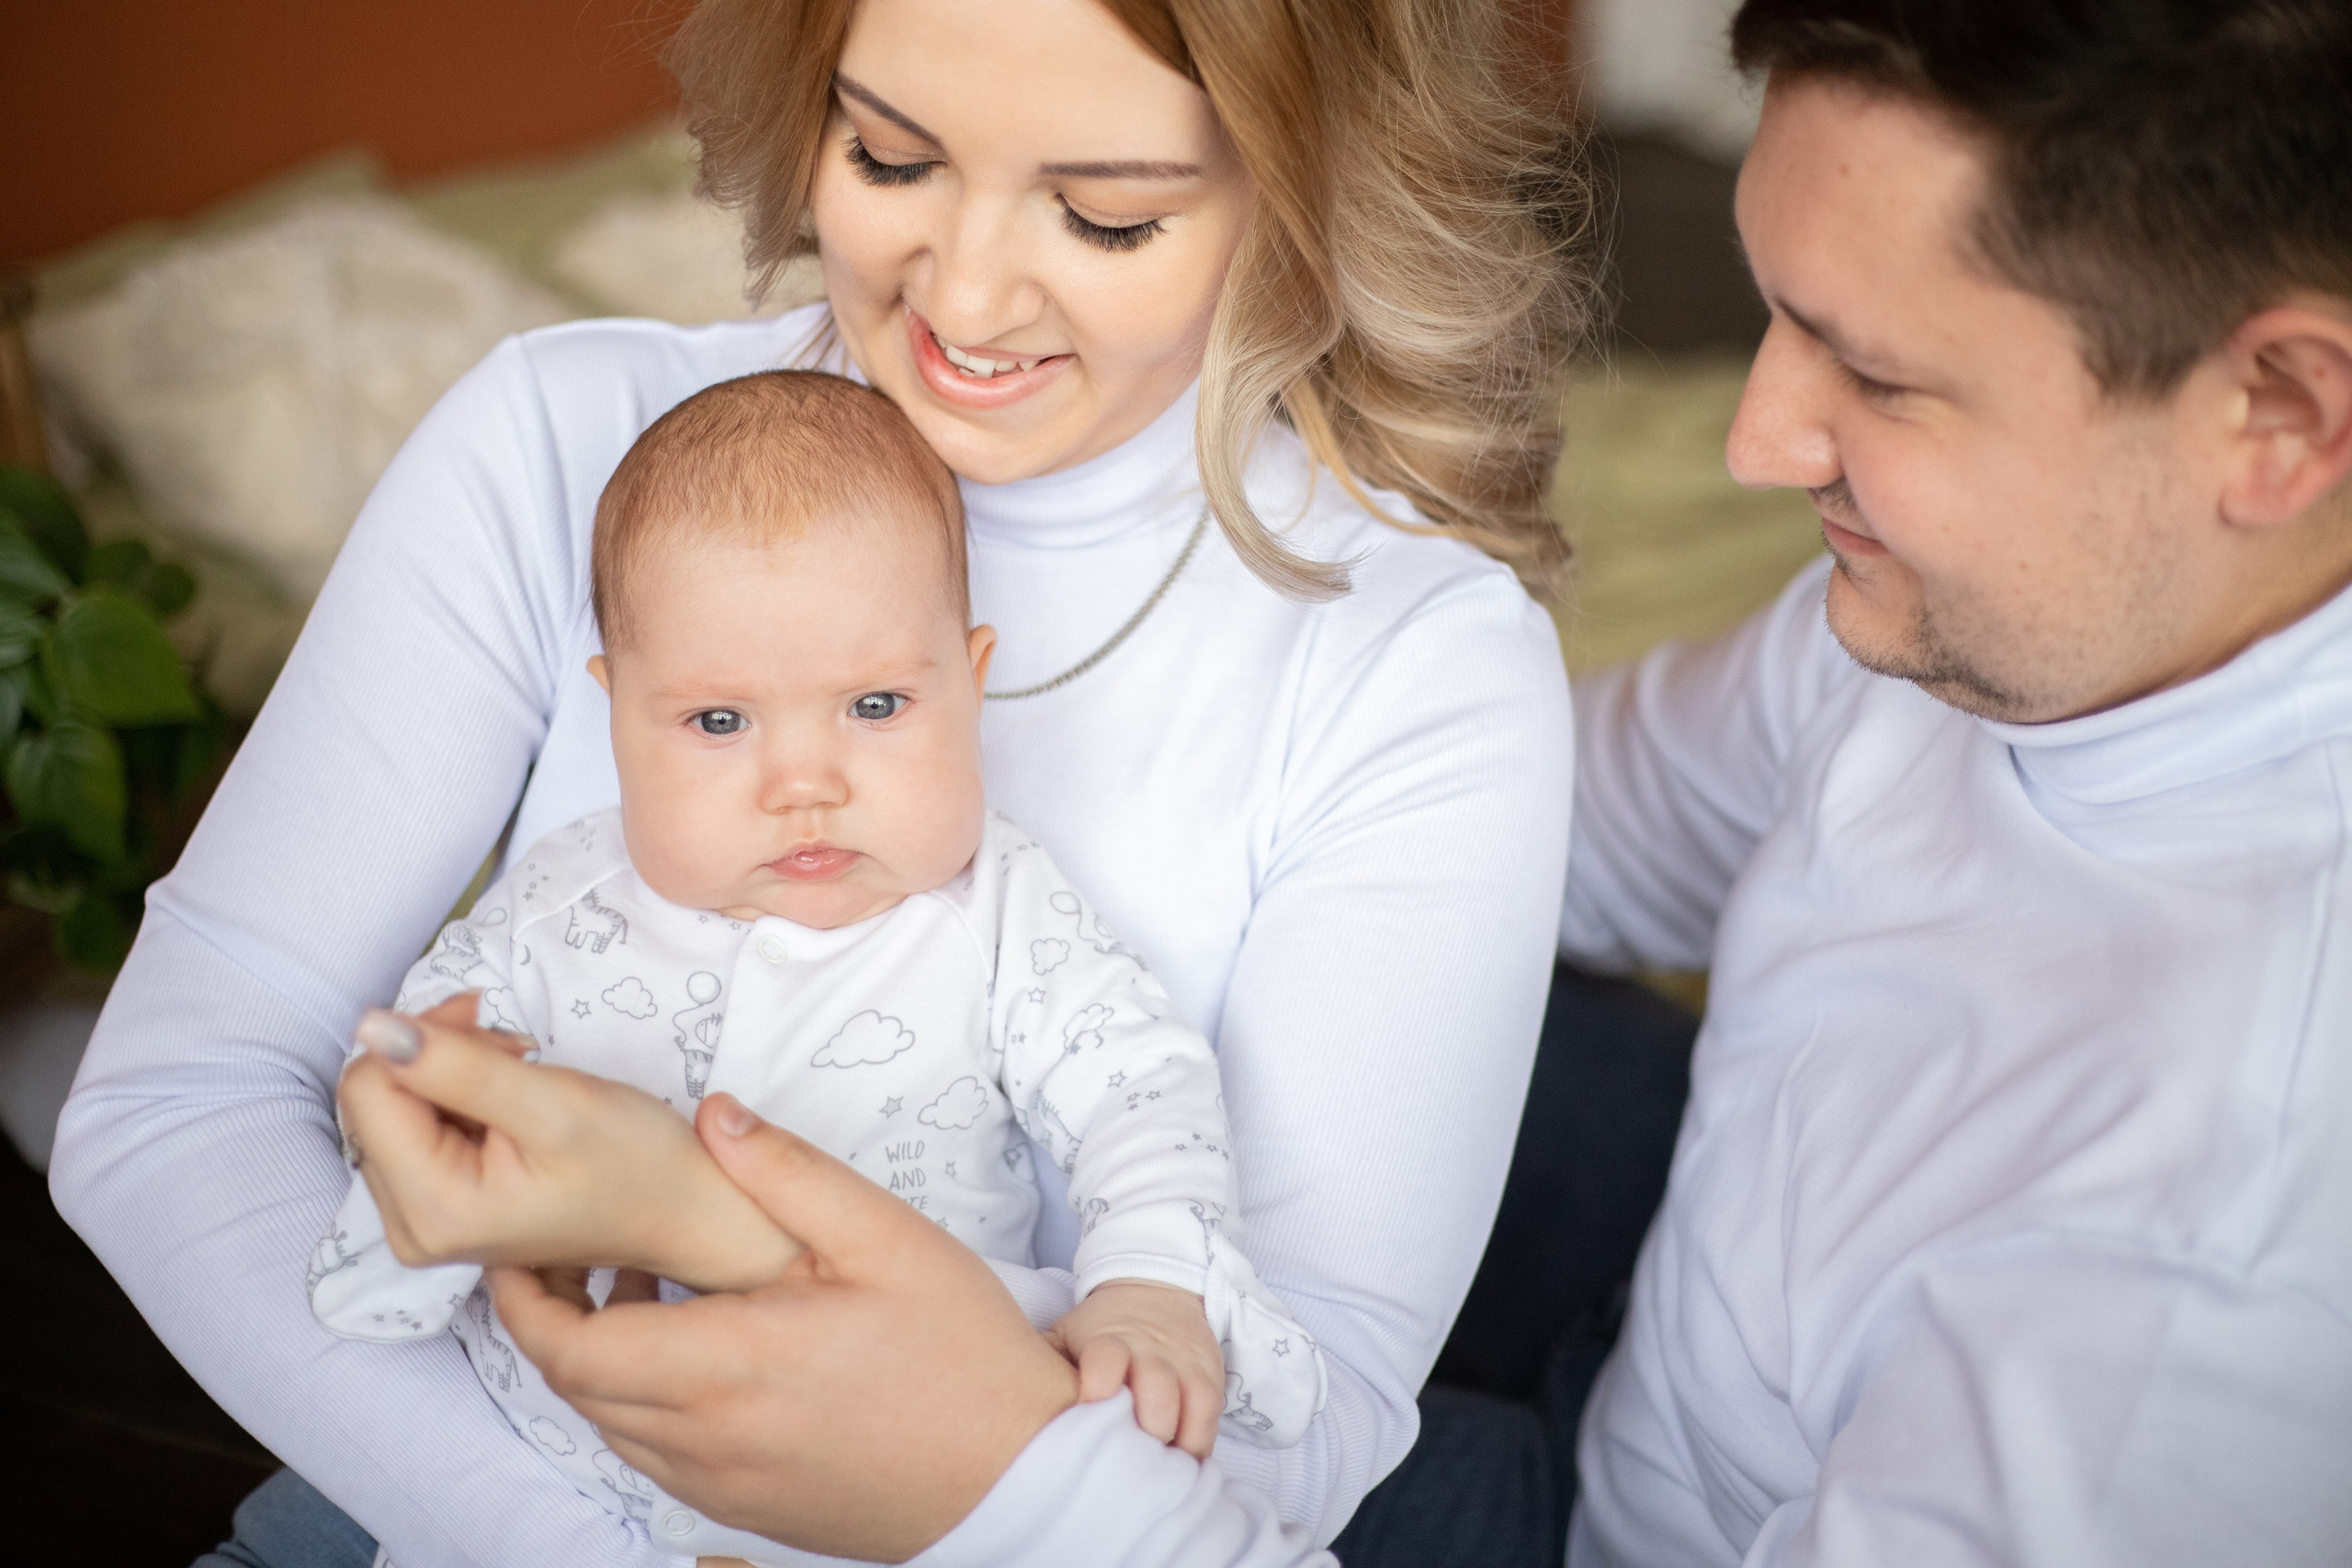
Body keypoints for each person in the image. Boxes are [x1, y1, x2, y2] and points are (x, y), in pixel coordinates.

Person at [324, 1, 2352, 1564]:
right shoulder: (1979, 627)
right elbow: (1587, 827)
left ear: (2273, 413)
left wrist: (994, 1465)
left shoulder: (2193, 1291)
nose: (1752, 442)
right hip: (1666, 1277)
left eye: (1877, 378)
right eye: (1776, 319)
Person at [51, 1, 1586, 1565]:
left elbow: (1294, 1404)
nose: (967, 295)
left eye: (1107, 215)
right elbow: (177, 1099)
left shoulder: (1420, 664)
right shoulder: (561, 444)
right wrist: (577, 1541)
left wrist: (738, 1267)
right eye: (890, 155)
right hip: (422, 1487)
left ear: (1308, 181)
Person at [310, 369, 1325, 1562]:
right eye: (720, 723)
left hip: (897, 1480)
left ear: (973, 677)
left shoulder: (994, 910)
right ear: (615, 710)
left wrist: (1152, 1279)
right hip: (558, 1480)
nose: (805, 783)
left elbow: (1140, 1088)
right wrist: (428, 1106)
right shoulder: (557, 904)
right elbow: (419, 1068)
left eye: (878, 704)